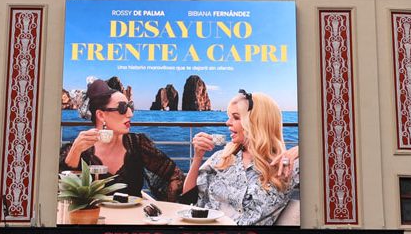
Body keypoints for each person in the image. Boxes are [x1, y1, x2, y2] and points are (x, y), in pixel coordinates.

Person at [61, 79, 197, 202]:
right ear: (101, 115)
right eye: (122, 108)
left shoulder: (137, 144)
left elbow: (176, 180)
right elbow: (60, 194)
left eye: (130, 106)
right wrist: (75, 152)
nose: (130, 114)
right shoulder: (80, 148)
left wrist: (198, 156)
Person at [183, 90, 299, 225]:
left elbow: (327, 150)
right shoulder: (221, 157)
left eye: (236, 117)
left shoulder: (285, 165)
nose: (227, 123)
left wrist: (298, 150)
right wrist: (197, 157)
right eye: (229, 117)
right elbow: (188, 201)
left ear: (257, 122)